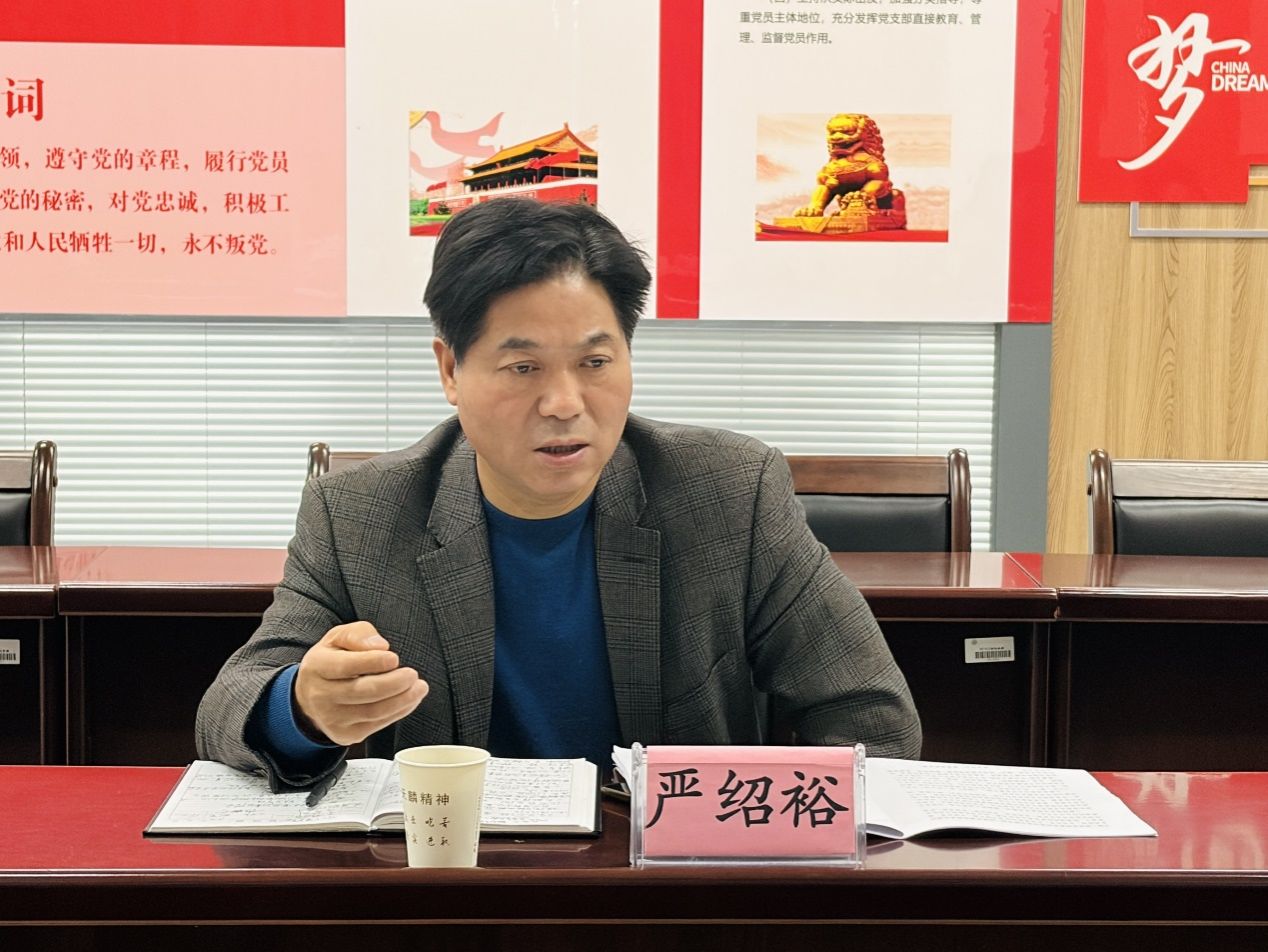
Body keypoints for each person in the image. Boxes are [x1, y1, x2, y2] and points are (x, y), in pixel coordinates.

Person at [195, 198, 920, 790]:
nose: (565, 403)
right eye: (523, 368)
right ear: (450, 370)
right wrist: (304, 707)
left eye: (595, 362)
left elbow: (873, 716)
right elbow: (227, 708)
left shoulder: (730, 494)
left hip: (670, 891)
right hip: (459, 886)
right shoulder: (359, 514)